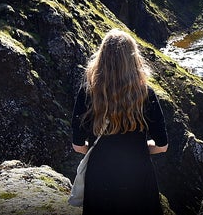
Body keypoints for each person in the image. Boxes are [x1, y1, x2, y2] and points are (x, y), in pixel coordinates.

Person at [71, 28, 169, 215]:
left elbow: (77, 145)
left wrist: (96, 149)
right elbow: (162, 145)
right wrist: (140, 148)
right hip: (138, 177)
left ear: (101, 58)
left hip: (99, 178)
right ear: (133, 59)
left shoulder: (87, 93)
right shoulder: (146, 94)